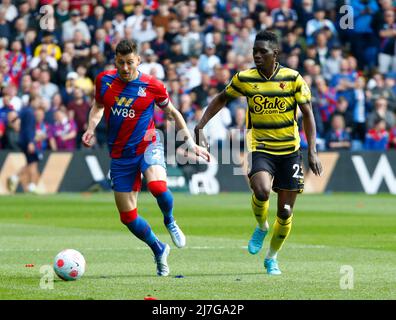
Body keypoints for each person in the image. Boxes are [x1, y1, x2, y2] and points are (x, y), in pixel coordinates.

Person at [194, 31, 323, 275]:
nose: (257, 55)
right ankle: (262, 226)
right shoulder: (244, 78)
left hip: (290, 150)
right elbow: (221, 99)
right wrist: (200, 125)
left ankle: (272, 258)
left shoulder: (293, 78)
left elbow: (308, 114)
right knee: (261, 189)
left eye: (262, 51)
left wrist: (312, 150)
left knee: (285, 212)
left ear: (275, 54)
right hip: (260, 146)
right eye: (255, 51)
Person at [82, 39, 210, 277]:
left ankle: (169, 220)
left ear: (138, 60)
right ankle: (159, 249)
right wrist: (91, 128)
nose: (125, 68)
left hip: (148, 144)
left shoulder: (152, 85)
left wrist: (191, 142)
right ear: (115, 62)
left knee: (158, 186)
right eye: (120, 63)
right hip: (120, 155)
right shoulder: (104, 81)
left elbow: (172, 112)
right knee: (128, 217)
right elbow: (98, 107)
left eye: (130, 62)